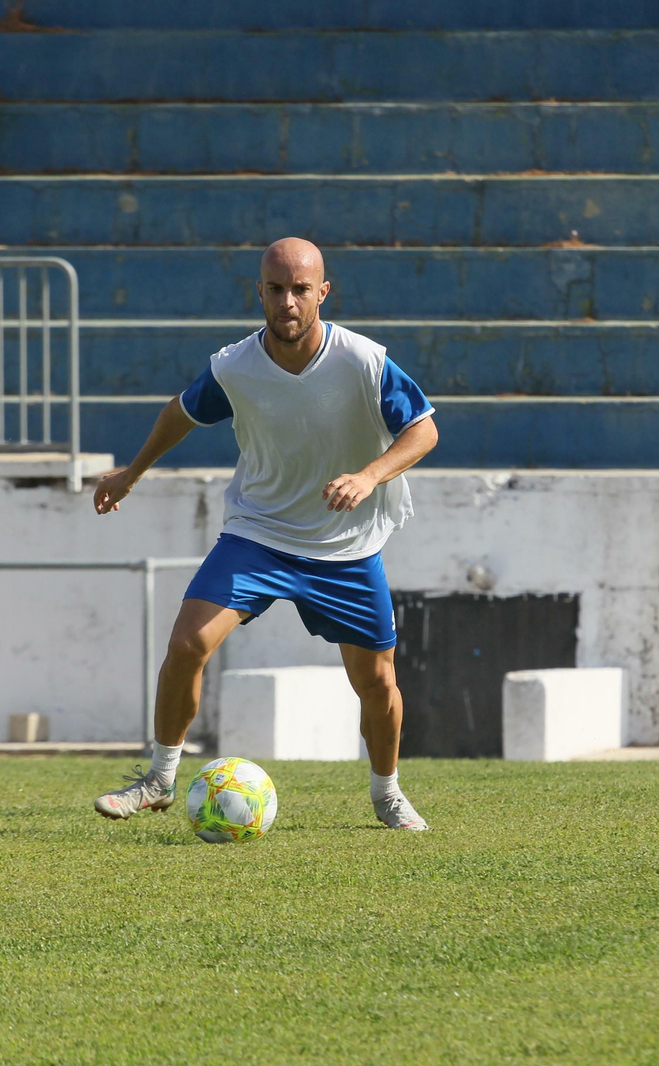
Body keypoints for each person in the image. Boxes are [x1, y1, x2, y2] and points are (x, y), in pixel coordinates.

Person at [90, 238, 439, 830]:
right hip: (259, 533)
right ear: (259, 292)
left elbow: (424, 430)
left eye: (301, 289)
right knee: (186, 646)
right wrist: (131, 473)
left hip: (343, 544)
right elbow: (181, 411)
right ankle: (159, 779)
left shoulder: (363, 360)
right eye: (275, 289)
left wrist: (368, 475)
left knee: (378, 684)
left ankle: (387, 794)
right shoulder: (234, 366)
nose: (287, 301)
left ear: (322, 293)